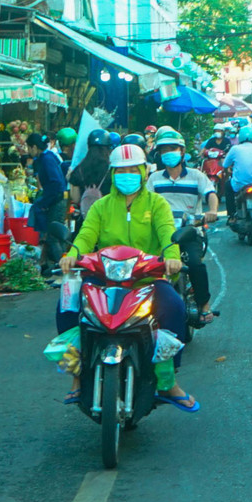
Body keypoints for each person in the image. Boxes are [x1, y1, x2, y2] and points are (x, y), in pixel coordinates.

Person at [58, 144, 198, 411]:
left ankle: (167, 381)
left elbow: (168, 234)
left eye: (133, 169)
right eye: (121, 170)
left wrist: (172, 258)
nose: (127, 174)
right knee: (68, 303)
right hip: (104, 277)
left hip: (146, 278)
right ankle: (76, 375)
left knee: (174, 307)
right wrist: (72, 254)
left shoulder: (157, 204)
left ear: (144, 172)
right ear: (112, 174)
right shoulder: (100, 206)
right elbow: (86, 235)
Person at [148, 130, 219, 324]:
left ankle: (204, 304)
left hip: (189, 232)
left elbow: (210, 194)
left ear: (182, 151)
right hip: (160, 233)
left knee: (195, 263)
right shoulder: (154, 179)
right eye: (164, 150)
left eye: (173, 149)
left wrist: (212, 211)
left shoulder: (197, 176)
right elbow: (144, 202)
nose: (169, 153)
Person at [27, 133, 68, 274]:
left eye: (29, 147)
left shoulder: (47, 159)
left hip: (56, 201)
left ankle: (63, 268)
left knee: (53, 237)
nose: (28, 151)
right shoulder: (46, 157)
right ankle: (60, 265)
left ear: (33, 147)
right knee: (56, 236)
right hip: (55, 199)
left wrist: (45, 201)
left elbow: (56, 182)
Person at [67, 129, 113, 224]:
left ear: (88, 146)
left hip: (86, 219)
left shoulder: (79, 169)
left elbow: (75, 198)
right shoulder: (112, 169)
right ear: (108, 147)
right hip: (108, 219)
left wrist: (69, 179)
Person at [225, 125, 252, 207]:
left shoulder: (235, 149)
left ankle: (231, 214)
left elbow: (225, 165)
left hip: (240, 184)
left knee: (227, 186)